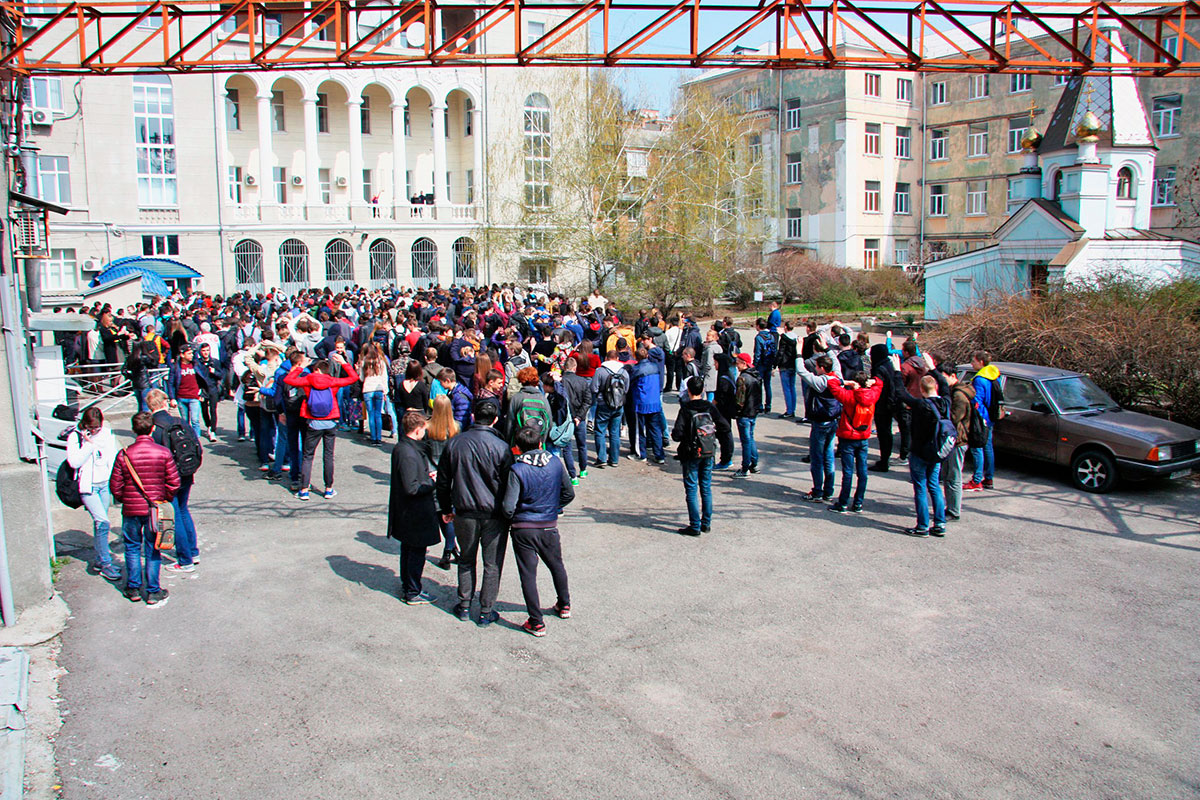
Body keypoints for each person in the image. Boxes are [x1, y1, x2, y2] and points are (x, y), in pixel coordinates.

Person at [435, 400, 513, 626]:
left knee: (466, 560)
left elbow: (443, 481)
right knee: (492, 564)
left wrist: (445, 508)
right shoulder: (502, 447)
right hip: (494, 514)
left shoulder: (455, 443)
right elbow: (509, 483)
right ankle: (486, 610)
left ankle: (464, 604)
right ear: (495, 420)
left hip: (464, 510)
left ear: (472, 416)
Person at [501, 425, 575, 637]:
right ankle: (564, 604)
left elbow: (508, 506)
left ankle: (536, 621)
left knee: (528, 574)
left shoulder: (517, 469)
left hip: (523, 528)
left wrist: (514, 517)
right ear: (540, 443)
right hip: (548, 525)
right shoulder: (555, 463)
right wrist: (553, 508)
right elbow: (569, 493)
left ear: (517, 447)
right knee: (556, 565)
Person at [109, 411, 180, 606]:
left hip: (131, 509)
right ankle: (153, 591)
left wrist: (126, 499)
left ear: (133, 430)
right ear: (153, 428)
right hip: (155, 509)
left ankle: (133, 587)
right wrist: (164, 499)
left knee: (132, 546)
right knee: (153, 548)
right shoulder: (163, 453)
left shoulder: (124, 454)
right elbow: (174, 482)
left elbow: (115, 485)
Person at [283, 351, 359, 501]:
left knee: (308, 456)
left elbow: (288, 379)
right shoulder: (332, 381)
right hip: (330, 421)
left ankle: (304, 489)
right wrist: (344, 362)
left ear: (316, 369)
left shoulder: (308, 380)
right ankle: (328, 489)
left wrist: (301, 367)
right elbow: (353, 378)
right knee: (328, 455)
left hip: (313, 421)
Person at [146, 389, 203, 572]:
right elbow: (196, 445)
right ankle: (193, 552)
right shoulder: (179, 421)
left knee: (175, 514)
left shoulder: (154, 427)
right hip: (186, 471)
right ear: (165, 403)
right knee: (183, 510)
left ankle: (185, 560)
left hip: (169, 476)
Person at [388, 411, 441, 604]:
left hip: (409, 511)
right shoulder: (408, 453)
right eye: (424, 430)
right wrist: (432, 482)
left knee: (409, 550)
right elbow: (412, 488)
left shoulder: (405, 448)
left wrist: (426, 478)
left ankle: (410, 586)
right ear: (418, 430)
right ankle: (412, 590)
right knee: (415, 553)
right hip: (414, 513)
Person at [891, 369, 949, 537]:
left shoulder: (921, 405)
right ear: (935, 387)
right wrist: (934, 369)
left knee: (921, 488)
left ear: (922, 390)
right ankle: (940, 523)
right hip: (937, 451)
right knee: (934, 486)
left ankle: (922, 526)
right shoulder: (946, 403)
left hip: (920, 451)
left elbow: (901, 392)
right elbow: (945, 386)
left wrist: (897, 371)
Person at [67, 406, 121, 581]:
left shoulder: (106, 434)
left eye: (98, 427)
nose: (95, 430)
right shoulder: (75, 437)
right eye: (92, 427)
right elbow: (74, 462)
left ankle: (99, 559)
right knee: (103, 523)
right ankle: (106, 563)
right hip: (88, 487)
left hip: (104, 483)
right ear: (85, 424)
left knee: (100, 524)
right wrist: (89, 445)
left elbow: (112, 457)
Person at [672, 376, 730, 535]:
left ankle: (694, 525)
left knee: (691, 489)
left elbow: (676, 435)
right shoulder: (709, 407)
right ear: (703, 389)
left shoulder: (686, 409)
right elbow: (725, 427)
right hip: (708, 451)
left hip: (690, 452)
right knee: (706, 487)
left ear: (688, 391)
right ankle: (706, 523)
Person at [827, 372, 883, 513]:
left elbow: (832, 383)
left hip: (848, 437)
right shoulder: (872, 395)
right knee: (862, 472)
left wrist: (846, 382)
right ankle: (858, 502)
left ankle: (843, 503)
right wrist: (873, 381)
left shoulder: (849, 396)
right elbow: (880, 383)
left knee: (848, 472)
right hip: (863, 437)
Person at [796, 355, 842, 503]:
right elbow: (836, 363)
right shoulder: (837, 378)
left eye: (816, 366)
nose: (815, 369)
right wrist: (828, 350)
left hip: (820, 422)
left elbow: (801, 371)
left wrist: (798, 354)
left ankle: (817, 491)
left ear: (822, 368)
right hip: (833, 420)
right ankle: (828, 490)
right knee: (829, 457)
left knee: (816, 458)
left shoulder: (821, 382)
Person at [425, 395, 460, 570]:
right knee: (449, 514)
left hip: (433, 474)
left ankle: (448, 550)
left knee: (442, 514)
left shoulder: (427, 428)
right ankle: (451, 548)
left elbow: (424, 453)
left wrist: (431, 470)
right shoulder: (456, 428)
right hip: (451, 474)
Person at [940, 363, 973, 521]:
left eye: (943, 377)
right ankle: (950, 507)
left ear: (953, 376)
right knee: (948, 475)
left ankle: (954, 510)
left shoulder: (959, 396)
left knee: (953, 477)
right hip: (954, 439)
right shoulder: (954, 392)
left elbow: (953, 418)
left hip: (958, 440)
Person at [966, 351, 1002, 491]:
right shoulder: (994, 374)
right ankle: (989, 478)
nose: (971, 363)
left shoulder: (980, 379)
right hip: (991, 417)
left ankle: (976, 480)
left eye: (973, 361)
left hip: (981, 418)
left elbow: (977, 401)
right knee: (988, 447)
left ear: (981, 362)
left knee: (977, 448)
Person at [590, 350, 627, 469]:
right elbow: (626, 389)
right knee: (615, 432)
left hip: (603, 404)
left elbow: (594, 388)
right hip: (618, 405)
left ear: (606, 358)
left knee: (600, 431)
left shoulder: (600, 371)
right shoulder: (624, 371)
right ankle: (614, 459)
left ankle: (601, 459)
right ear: (617, 358)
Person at [631, 347, 665, 464]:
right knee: (655, 430)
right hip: (655, 402)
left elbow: (631, 383)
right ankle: (659, 455)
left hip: (641, 403)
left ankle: (641, 454)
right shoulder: (655, 367)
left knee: (640, 431)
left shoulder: (636, 369)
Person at [560, 357, 592, 480]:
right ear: (575, 368)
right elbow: (587, 401)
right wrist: (579, 416)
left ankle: (572, 476)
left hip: (566, 419)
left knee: (567, 448)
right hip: (580, 418)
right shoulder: (582, 381)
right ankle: (583, 470)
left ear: (564, 367)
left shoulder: (561, 382)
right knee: (582, 445)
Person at [166, 343, 205, 439]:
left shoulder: (195, 365)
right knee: (185, 421)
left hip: (194, 397)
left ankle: (196, 438)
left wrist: (203, 393)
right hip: (182, 397)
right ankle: (187, 438)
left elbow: (203, 379)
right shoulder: (176, 367)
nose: (191, 355)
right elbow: (171, 383)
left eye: (192, 353)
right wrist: (172, 398)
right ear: (182, 355)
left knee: (195, 420)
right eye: (189, 353)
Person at [732, 353, 762, 478]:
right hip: (753, 411)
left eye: (738, 363)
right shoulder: (756, 375)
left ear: (744, 363)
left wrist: (736, 411)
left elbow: (740, 400)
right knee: (750, 438)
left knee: (746, 441)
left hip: (744, 413)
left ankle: (745, 468)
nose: (736, 365)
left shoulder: (743, 378)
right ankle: (754, 463)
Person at [358, 343, 389, 445]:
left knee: (371, 414)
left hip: (367, 389)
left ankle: (373, 437)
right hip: (379, 388)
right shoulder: (380, 361)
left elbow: (361, 378)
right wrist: (385, 391)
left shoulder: (364, 361)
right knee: (378, 414)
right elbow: (384, 377)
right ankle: (379, 438)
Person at [194, 342, 225, 442]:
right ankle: (208, 425)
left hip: (213, 388)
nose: (206, 353)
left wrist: (214, 372)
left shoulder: (215, 362)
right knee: (204, 410)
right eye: (203, 351)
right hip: (203, 389)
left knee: (213, 410)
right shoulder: (198, 363)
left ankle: (213, 430)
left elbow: (221, 375)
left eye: (207, 350)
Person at [752, 318, 778, 414]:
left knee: (759, 385)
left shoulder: (759, 337)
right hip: (769, 362)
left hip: (761, 364)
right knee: (768, 385)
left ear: (758, 326)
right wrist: (774, 364)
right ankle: (768, 405)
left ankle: (760, 405)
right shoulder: (771, 336)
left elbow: (757, 353)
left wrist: (754, 365)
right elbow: (774, 350)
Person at [776, 320, 799, 418]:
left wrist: (775, 364)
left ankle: (789, 410)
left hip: (785, 365)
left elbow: (781, 352)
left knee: (786, 389)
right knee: (792, 387)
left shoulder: (784, 339)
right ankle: (792, 409)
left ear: (785, 327)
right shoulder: (796, 337)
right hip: (793, 364)